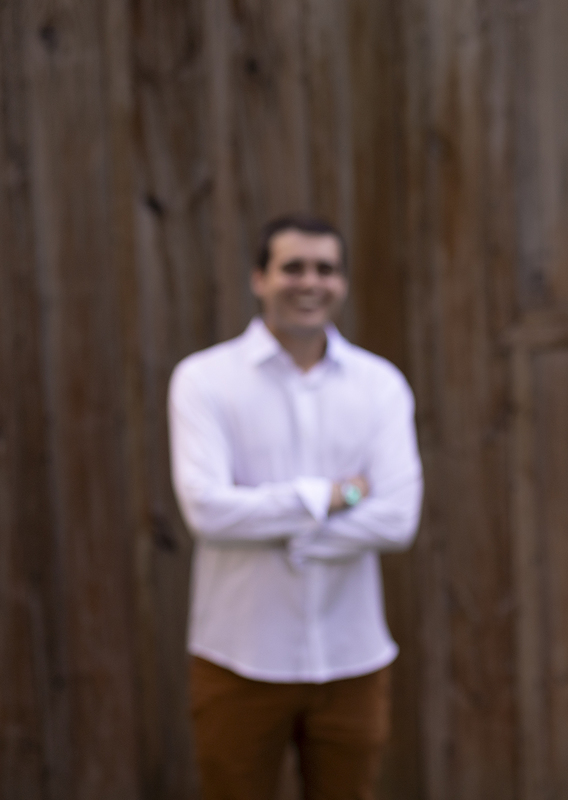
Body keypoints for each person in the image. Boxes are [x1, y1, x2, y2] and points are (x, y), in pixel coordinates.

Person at [169, 214, 423, 800]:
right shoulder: (204, 380)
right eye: (293, 268)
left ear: (343, 282)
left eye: (325, 269)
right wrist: (334, 496)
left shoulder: (380, 385)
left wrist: (274, 527)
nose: (310, 282)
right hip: (238, 659)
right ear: (259, 278)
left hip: (353, 658)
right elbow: (207, 511)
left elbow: (398, 519)